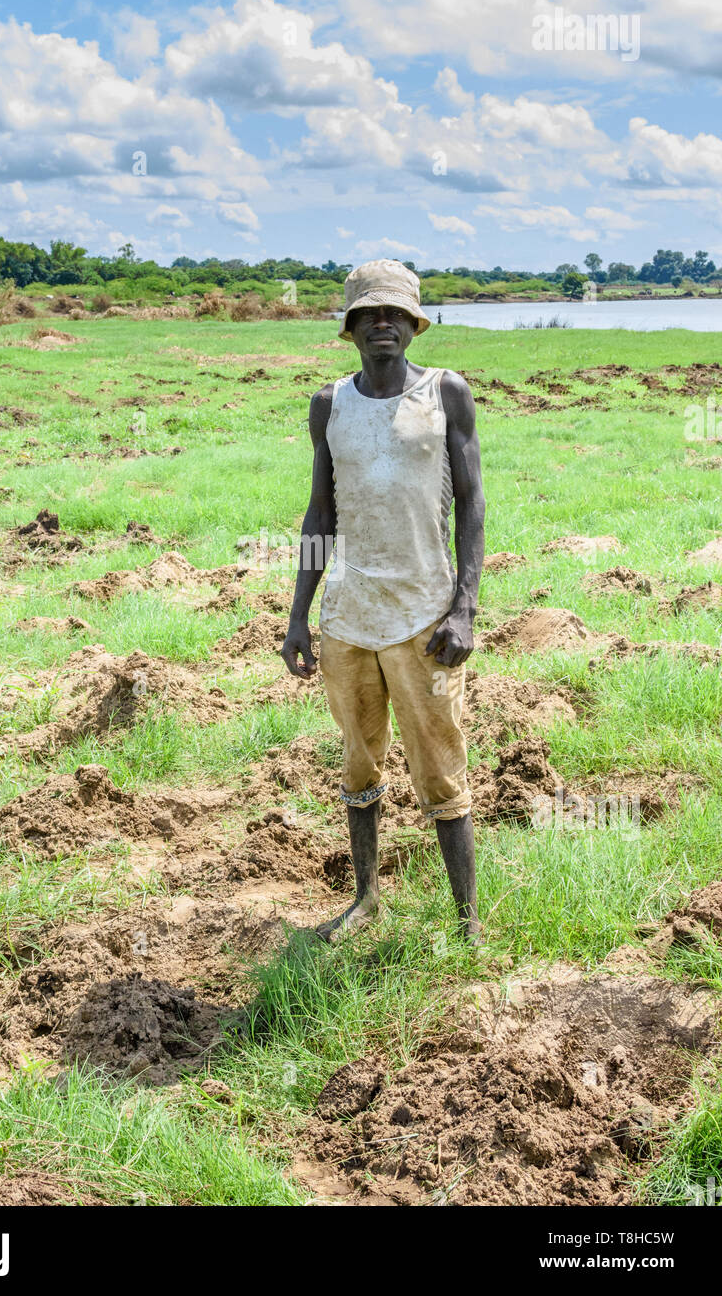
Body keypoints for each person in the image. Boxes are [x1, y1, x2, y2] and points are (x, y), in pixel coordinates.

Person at [281, 259, 485, 943]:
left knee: (440, 769)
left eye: (394, 315)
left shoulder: (445, 394)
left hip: (425, 620)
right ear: (352, 328)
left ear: (413, 324)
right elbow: (319, 514)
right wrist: (299, 614)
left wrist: (464, 608)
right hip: (348, 620)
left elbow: (472, 503)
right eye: (370, 316)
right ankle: (366, 897)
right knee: (359, 762)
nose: (383, 326)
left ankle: (467, 923)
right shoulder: (329, 405)